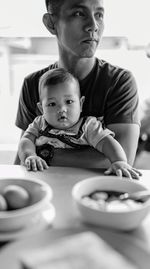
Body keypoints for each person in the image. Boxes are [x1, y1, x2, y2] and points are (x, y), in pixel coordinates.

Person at [15, 0, 140, 167]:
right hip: (47, 189)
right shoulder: (33, 84)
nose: (94, 26)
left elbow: (120, 159)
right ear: (51, 24)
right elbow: (21, 159)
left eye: (99, 15)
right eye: (79, 13)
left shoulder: (119, 82)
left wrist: (44, 154)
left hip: (94, 190)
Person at [18, 68, 141, 179]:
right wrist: (30, 155)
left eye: (69, 101)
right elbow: (26, 140)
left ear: (81, 104)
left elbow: (106, 142)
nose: (62, 109)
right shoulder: (39, 123)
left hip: (80, 178)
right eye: (52, 104)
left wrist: (118, 161)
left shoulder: (88, 126)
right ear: (41, 109)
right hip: (46, 177)